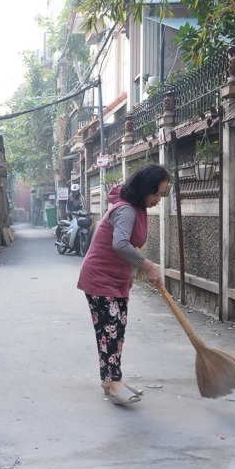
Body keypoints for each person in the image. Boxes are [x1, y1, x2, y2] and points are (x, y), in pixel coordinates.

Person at [76, 164, 170, 405]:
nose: (158, 199)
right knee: (111, 329)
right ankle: (114, 382)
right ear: (143, 190)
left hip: (117, 279)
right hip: (100, 277)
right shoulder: (126, 210)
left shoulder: (138, 209)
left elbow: (126, 247)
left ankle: (109, 381)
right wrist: (148, 266)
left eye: (162, 194)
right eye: (156, 194)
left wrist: (136, 272)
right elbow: (120, 245)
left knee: (116, 330)